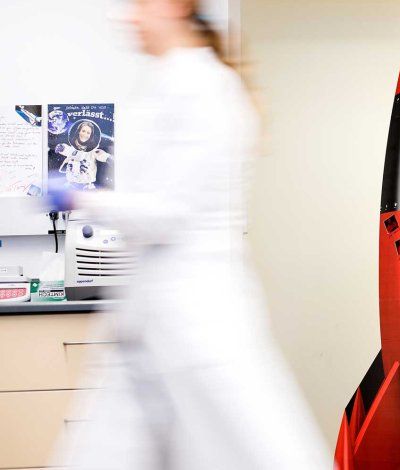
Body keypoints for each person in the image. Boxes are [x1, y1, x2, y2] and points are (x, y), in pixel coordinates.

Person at [53, 0, 326, 468]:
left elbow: (169, 212)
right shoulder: (166, 83)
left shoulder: (207, 87)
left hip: (200, 319)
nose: (127, 18)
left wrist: (80, 199)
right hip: (145, 323)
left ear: (176, 6)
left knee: (264, 452)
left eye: (138, 5)